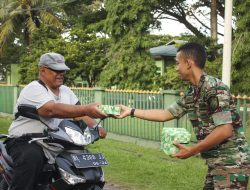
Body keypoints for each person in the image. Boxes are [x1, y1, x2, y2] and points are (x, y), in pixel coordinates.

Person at [117, 42, 250, 189]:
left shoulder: (214, 88)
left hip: (232, 164)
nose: (176, 68)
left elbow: (225, 130)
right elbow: (165, 114)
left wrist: (192, 150)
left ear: (188, 63)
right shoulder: (193, 92)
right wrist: (131, 111)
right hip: (217, 163)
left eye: (177, 63)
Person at [5, 52, 107, 190]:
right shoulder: (34, 88)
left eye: (63, 70)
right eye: (56, 70)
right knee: (31, 159)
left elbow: (79, 114)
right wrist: (87, 109)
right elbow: (51, 110)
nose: (61, 73)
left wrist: (95, 126)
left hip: (57, 142)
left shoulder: (66, 91)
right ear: (42, 70)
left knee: (80, 166)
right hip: (27, 141)